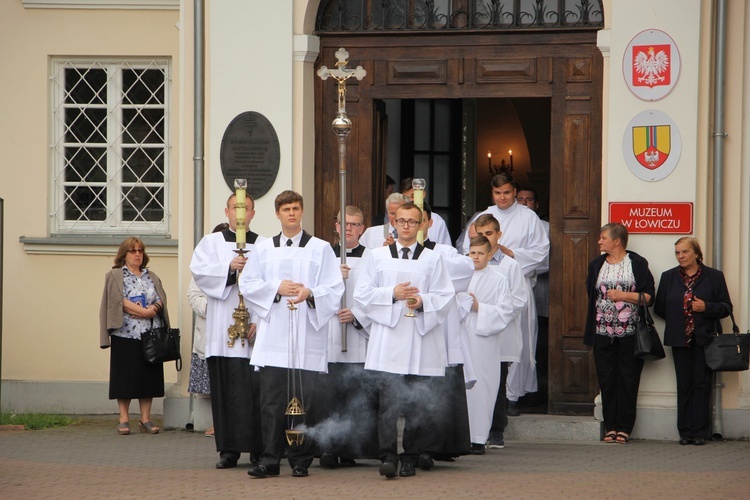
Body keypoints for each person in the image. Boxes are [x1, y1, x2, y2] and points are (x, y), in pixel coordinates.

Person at [241, 190, 345, 479]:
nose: (291, 213)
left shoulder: (321, 248)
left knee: (304, 405)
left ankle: (301, 461)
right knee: (272, 404)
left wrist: (309, 292)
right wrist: (277, 288)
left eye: (296, 208)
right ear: (277, 214)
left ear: (302, 212)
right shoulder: (263, 249)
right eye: (285, 208)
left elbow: (335, 288)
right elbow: (247, 283)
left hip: (306, 338)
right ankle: (270, 459)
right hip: (274, 338)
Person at [354, 202, 454, 479]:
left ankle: (410, 456)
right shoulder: (377, 256)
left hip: (421, 339)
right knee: (388, 403)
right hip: (389, 339)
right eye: (402, 221)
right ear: (393, 223)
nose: (407, 225)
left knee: (417, 403)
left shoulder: (433, 259)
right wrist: (392, 293)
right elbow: (362, 294)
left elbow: (445, 296)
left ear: (422, 224)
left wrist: (422, 301)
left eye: (412, 221)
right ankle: (387, 456)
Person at [461, 173, 549, 416]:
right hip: (480, 292)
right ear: (492, 193)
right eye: (497, 193)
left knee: (514, 344)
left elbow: (541, 251)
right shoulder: (482, 216)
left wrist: (513, 255)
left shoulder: (528, 217)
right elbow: (466, 250)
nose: (502, 198)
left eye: (507, 193)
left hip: (515, 283)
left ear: (514, 192)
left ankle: (512, 396)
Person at [189, 194, 264, 469]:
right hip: (222, 332)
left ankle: (258, 449)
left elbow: (270, 282)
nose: (240, 214)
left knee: (255, 393)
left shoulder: (265, 245)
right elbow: (200, 273)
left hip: (254, 332)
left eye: (246, 209)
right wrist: (229, 269)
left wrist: (261, 319)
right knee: (225, 392)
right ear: (227, 211)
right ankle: (228, 450)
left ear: (253, 214)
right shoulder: (211, 243)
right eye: (236, 208)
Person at [654, 237, 732, 445]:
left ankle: (700, 432)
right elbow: (661, 307)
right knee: (684, 385)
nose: (681, 256)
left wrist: (706, 307)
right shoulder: (669, 277)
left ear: (697, 253)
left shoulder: (714, 277)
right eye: (678, 253)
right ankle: (685, 432)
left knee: (702, 384)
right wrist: (680, 320)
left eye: (685, 252)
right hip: (679, 339)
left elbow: (726, 307)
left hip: (705, 339)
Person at [318, 205, 379, 468]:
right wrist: (333, 281)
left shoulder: (374, 258)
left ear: (362, 229)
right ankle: (329, 449)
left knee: (357, 396)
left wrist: (356, 315)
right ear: (337, 226)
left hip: (357, 337)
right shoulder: (323, 256)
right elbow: (311, 291)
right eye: (345, 223)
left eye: (355, 224)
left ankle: (353, 448)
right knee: (331, 397)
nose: (349, 229)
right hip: (329, 334)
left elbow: (377, 296)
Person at [584, 223, 655, 444]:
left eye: (603, 237)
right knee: (606, 380)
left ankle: (624, 428)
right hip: (602, 331)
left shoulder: (637, 263)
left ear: (617, 240)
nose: (599, 241)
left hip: (630, 332)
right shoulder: (597, 264)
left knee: (628, 379)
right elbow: (591, 295)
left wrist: (623, 295)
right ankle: (610, 426)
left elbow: (649, 297)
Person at [99, 237, 168, 436]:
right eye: (132, 251)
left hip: (149, 334)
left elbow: (161, 298)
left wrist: (152, 309)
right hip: (125, 333)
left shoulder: (151, 276)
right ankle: (124, 419)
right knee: (125, 377)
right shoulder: (115, 275)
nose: (137, 254)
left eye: (140, 250)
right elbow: (115, 299)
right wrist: (140, 311)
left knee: (148, 377)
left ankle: (145, 419)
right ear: (124, 254)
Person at [473, 215, 528, 449]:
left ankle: (496, 430)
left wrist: (492, 314)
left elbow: (518, 300)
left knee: (496, 383)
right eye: (480, 234)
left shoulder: (510, 265)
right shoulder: (470, 264)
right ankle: (475, 430)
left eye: (489, 234)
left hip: (500, 332)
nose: (485, 238)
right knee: (477, 383)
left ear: (498, 235)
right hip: (474, 335)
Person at [458, 235, 515, 454]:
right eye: (472, 253)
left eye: (480, 253)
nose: (475, 257)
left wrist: (478, 307)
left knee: (483, 387)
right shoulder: (460, 276)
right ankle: (461, 437)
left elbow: (505, 312)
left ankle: (479, 438)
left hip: (483, 337)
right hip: (461, 333)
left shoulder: (499, 279)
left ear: (490, 255)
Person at [187, 222, 228, 438]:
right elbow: (193, 296)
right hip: (210, 326)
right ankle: (218, 423)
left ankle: (232, 423)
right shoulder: (203, 268)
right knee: (215, 384)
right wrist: (215, 309)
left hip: (234, 331)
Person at [517, 187, 550, 409]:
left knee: (540, 344)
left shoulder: (545, 227)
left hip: (543, 292)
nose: (524, 203)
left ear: (536, 204)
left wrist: (519, 266)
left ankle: (537, 395)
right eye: (520, 199)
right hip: (513, 291)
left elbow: (545, 260)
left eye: (529, 200)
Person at [399, 177, 452, 246]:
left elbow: (445, 248)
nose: (410, 200)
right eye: (406, 197)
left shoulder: (437, 221)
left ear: (423, 194)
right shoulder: (398, 218)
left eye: (413, 196)